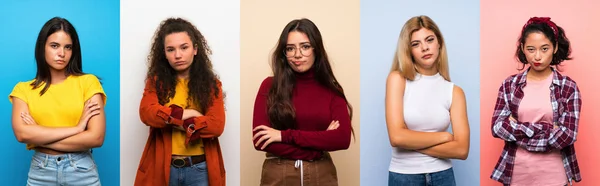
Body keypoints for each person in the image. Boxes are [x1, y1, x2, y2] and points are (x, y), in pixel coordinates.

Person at [252, 18, 353, 186]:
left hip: (321, 175)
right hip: (279, 174)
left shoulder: (331, 89)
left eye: (305, 47)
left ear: (316, 49)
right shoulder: (269, 85)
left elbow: (342, 139)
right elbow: (260, 140)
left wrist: (283, 135)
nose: (297, 54)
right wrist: (317, 148)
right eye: (290, 48)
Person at [10, 17, 106, 185]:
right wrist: (77, 129)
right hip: (41, 173)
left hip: (81, 170)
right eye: (55, 46)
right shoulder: (23, 89)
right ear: (42, 47)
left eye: (68, 47)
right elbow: (22, 134)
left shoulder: (88, 83)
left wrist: (38, 134)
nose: (62, 53)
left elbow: (96, 138)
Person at [490, 17, 581, 186]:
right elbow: (497, 127)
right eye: (531, 49)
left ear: (554, 48)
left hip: (555, 176)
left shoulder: (568, 87)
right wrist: (546, 128)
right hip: (516, 173)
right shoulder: (509, 85)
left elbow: (567, 135)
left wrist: (518, 131)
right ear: (523, 49)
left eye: (544, 49)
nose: (537, 56)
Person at [135, 17, 226, 186]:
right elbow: (147, 113)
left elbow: (216, 126)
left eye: (184, 47)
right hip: (163, 168)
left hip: (200, 169)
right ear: (164, 53)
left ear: (195, 49)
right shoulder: (156, 82)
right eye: (171, 49)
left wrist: (169, 118)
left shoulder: (211, 85)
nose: (178, 55)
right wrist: (190, 115)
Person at [385, 15, 470, 186]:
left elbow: (461, 150)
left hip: (443, 176)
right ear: (409, 50)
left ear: (439, 42)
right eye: (415, 44)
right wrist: (445, 136)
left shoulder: (454, 92)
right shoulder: (397, 80)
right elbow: (396, 137)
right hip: (404, 176)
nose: (424, 48)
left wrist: (410, 142)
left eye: (429, 40)